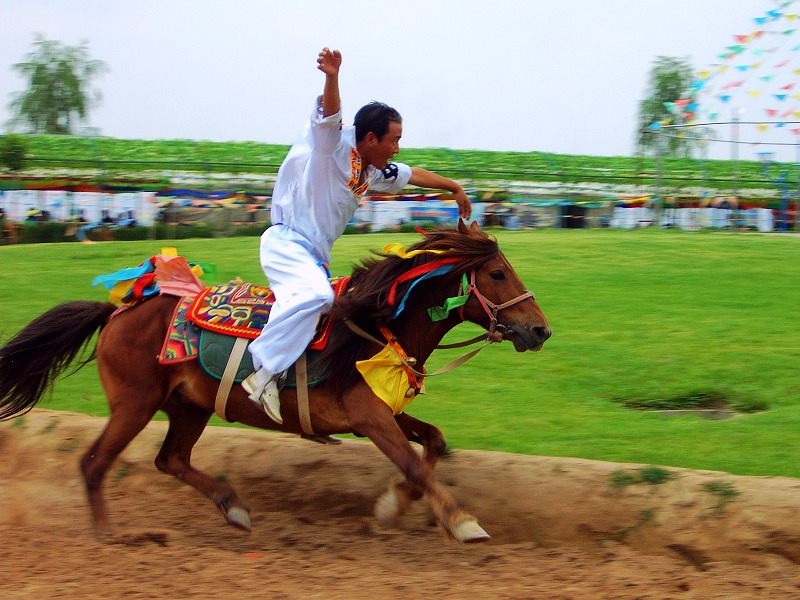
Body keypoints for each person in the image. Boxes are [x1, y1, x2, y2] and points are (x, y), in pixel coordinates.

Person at [244, 47, 471, 423]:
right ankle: (263, 375)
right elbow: (331, 114)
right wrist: (332, 76)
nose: (397, 148)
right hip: (285, 243)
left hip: (313, 255)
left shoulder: (373, 170)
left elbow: (414, 174)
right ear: (369, 138)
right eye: (393, 139)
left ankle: (318, 401)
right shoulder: (330, 145)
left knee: (339, 311)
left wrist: (455, 187)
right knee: (316, 296)